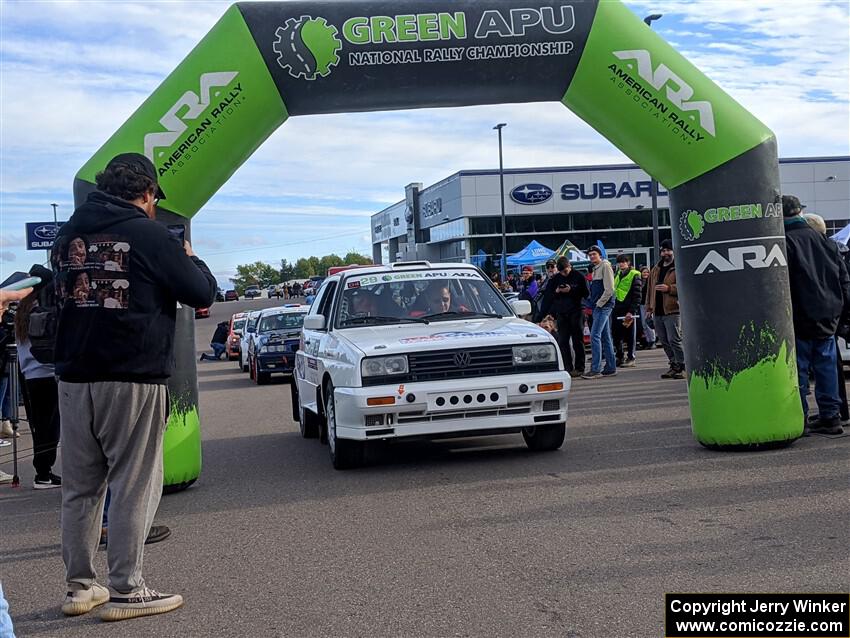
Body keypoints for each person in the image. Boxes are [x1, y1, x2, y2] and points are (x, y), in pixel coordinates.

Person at [53, 152, 217, 621]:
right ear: (146, 194)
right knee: (133, 483)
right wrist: (190, 257)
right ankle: (127, 589)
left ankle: (80, 588)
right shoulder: (149, 234)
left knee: (81, 488)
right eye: (152, 198)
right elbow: (201, 293)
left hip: (73, 376)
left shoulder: (67, 237)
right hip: (131, 374)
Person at [784, 196, 850, 435]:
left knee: (799, 369)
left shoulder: (784, 243)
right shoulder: (828, 243)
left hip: (800, 313)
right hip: (828, 313)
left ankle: (799, 418)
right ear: (799, 211)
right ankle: (831, 417)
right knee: (827, 367)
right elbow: (843, 279)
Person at [13, 265, 61, 489]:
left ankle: (43, 470)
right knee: (50, 427)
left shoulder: (22, 308)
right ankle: (43, 473)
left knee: (38, 425)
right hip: (47, 373)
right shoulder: (45, 307)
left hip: (28, 374)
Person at [539, 257, 589, 376]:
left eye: (565, 271)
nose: (563, 274)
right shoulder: (556, 278)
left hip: (577, 310)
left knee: (578, 341)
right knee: (563, 341)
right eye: (561, 272)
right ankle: (567, 367)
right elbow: (549, 297)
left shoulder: (579, 276)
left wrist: (571, 290)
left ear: (570, 266)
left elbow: (586, 293)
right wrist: (557, 292)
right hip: (561, 312)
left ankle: (580, 367)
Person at [646, 240, 685, 379]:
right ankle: (674, 365)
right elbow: (650, 289)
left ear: (673, 251)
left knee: (674, 339)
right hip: (658, 310)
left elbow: (685, 286)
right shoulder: (656, 268)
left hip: (673, 309)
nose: (665, 253)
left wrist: (670, 289)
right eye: (663, 251)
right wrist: (649, 308)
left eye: (668, 250)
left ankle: (683, 366)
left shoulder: (678, 267)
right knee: (663, 340)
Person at [582, 246, 617, 379]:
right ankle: (610, 367)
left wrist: (598, 304)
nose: (591, 257)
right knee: (605, 337)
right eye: (590, 254)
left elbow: (609, 289)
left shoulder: (605, 266)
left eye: (594, 254)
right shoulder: (597, 268)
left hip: (603, 306)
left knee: (594, 336)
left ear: (600, 255)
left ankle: (596, 369)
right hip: (601, 305)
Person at [612, 255, 642, 368]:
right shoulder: (617, 274)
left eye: (623, 262)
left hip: (628, 309)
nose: (621, 264)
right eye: (619, 262)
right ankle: (620, 356)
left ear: (628, 263)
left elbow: (637, 295)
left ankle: (631, 358)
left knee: (630, 335)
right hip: (617, 307)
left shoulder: (635, 274)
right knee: (616, 334)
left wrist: (631, 311)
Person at [637, 266, 656, 349]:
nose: (646, 274)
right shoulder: (639, 282)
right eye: (644, 272)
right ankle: (648, 341)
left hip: (648, 305)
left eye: (647, 272)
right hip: (641, 305)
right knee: (644, 324)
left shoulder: (650, 282)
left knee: (649, 323)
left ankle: (652, 341)